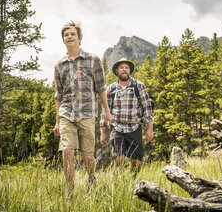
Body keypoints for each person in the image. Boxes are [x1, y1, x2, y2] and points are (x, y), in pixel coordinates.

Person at [53, 21, 112, 194]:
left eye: (72, 34)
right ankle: (70, 191)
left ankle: (91, 179)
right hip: (66, 113)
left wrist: (107, 112)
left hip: (87, 112)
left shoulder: (92, 60)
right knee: (67, 151)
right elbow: (58, 95)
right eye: (66, 35)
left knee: (87, 155)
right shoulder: (59, 65)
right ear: (63, 40)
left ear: (79, 38)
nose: (69, 37)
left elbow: (101, 87)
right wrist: (57, 122)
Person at [100, 58, 153, 174]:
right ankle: (118, 185)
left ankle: (132, 184)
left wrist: (150, 129)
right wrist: (103, 132)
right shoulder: (111, 89)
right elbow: (105, 110)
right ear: (117, 71)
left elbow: (147, 107)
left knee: (136, 162)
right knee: (118, 159)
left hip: (135, 127)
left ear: (130, 71)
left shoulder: (138, 86)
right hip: (117, 128)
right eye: (121, 68)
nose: (124, 70)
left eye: (126, 68)